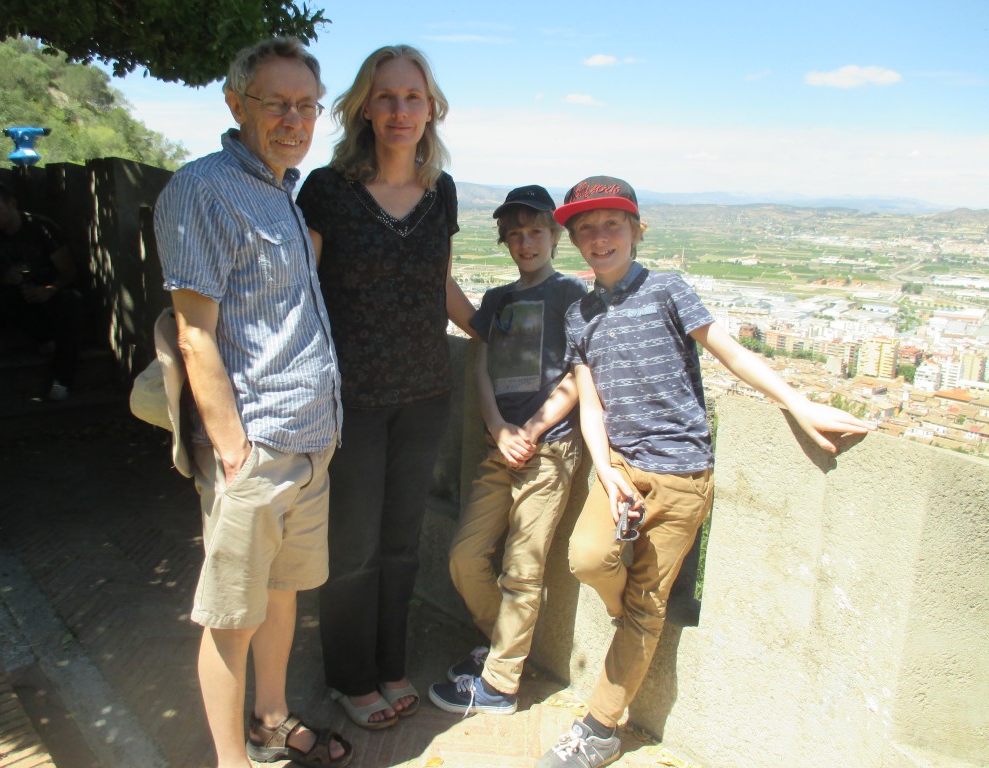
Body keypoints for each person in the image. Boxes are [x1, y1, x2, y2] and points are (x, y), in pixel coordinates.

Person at [537, 176, 874, 768]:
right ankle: (632, 617)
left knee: (646, 605)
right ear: (574, 242)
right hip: (620, 468)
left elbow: (730, 352)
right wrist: (606, 471)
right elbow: (590, 405)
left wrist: (798, 402)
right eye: (585, 228)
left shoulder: (669, 290)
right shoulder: (580, 313)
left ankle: (599, 727)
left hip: (683, 475)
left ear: (637, 231)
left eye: (611, 223)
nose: (599, 237)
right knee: (588, 558)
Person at [153, 37, 350, 768]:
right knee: (231, 618)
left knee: (279, 596)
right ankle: (231, 760)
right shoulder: (201, 190)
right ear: (236, 105)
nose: (294, 119)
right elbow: (195, 332)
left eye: (306, 106)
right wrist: (234, 453)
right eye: (278, 104)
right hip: (258, 448)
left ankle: (271, 723)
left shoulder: (280, 191)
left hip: (309, 442)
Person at [295, 44, 475, 730]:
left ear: (431, 109)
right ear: (364, 107)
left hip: (426, 392)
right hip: (351, 399)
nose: (401, 111)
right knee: (353, 547)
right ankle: (348, 674)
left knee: (401, 542)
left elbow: (440, 283)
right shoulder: (327, 191)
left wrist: (493, 328)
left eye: (413, 97)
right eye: (387, 96)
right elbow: (300, 289)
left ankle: (389, 661)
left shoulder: (443, 193)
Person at [427, 185, 585, 715]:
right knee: (465, 557)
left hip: (551, 450)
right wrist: (498, 428)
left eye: (535, 232)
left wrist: (533, 430)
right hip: (500, 446)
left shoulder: (570, 296)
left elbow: (580, 376)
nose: (525, 243)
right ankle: (502, 649)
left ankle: (500, 684)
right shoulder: (497, 301)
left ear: (553, 236)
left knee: (522, 567)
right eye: (514, 235)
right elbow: (480, 363)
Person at [0, 183, 82, 397]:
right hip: (15, 301)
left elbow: (68, 271)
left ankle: (62, 379)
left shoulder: (42, 228)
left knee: (71, 301)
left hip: (49, 295)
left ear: (11, 204)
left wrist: (49, 289)